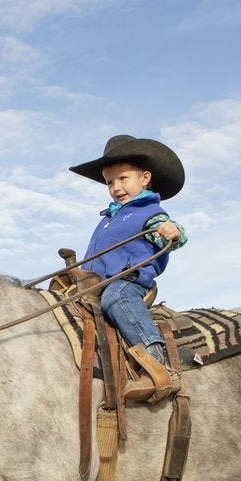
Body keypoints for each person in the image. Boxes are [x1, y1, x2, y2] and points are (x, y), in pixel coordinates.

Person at [70, 135, 188, 402]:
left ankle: (157, 366)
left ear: (144, 178)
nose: (116, 187)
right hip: (95, 283)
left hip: (129, 280)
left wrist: (172, 232)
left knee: (117, 297)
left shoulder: (149, 212)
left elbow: (171, 233)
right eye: (110, 182)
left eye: (123, 179)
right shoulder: (109, 218)